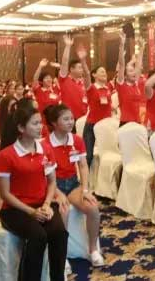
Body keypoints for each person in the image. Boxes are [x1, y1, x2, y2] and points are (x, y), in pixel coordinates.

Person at [0, 105, 68, 281]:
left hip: (42, 204)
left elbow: (52, 182)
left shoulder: (45, 149)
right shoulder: (7, 155)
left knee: (59, 233)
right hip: (15, 210)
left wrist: (47, 204)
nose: (40, 127)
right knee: (38, 236)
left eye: (40, 123)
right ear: (21, 128)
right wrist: (31, 212)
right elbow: (5, 194)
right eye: (35, 123)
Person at [42, 104, 104, 266]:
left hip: (72, 184)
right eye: (66, 119)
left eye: (71, 118)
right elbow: (45, 176)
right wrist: (57, 193)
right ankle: (62, 257)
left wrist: (85, 189)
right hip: (53, 186)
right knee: (63, 212)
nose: (71, 122)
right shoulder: (45, 145)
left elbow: (83, 166)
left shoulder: (76, 140)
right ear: (54, 123)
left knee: (93, 208)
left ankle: (93, 250)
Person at [80, 47, 113, 167]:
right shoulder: (91, 88)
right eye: (101, 71)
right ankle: (85, 175)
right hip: (92, 125)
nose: (104, 73)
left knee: (107, 155)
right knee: (88, 155)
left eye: (105, 72)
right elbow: (86, 74)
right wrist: (83, 60)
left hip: (106, 126)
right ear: (94, 75)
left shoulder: (108, 88)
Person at [115, 33, 144, 126]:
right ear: (125, 76)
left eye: (133, 70)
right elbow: (121, 64)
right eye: (130, 71)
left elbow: (138, 65)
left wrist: (142, 48)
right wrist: (122, 45)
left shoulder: (135, 84)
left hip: (137, 121)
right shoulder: (121, 85)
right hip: (125, 122)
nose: (134, 72)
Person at [58, 36, 87, 123]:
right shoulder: (64, 80)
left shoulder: (83, 82)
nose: (82, 70)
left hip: (83, 118)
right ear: (71, 69)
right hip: (69, 118)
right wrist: (68, 46)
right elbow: (64, 62)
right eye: (79, 68)